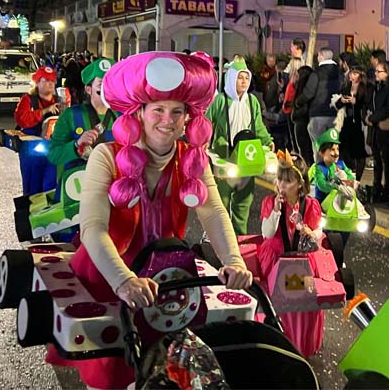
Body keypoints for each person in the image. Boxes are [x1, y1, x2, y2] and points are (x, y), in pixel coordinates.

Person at [46, 51, 252, 389]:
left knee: (178, 370)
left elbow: (213, 211)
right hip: (109, 272)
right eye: (158, 109)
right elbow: (92, 228)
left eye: (177, 111)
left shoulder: (193, 159)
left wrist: (233, 260)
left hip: (165, 277)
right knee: (112, 374)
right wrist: (123, 280)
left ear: (188, 117)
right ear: (139, 113)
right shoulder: (106, 156)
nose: (167, 120)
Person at [258, 151, 325, 358]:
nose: (281, 185)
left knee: (302, 297)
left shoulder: (310, 205)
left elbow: (319, 232)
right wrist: (276, 211)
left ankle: (300, 342)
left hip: (301, 258)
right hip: (276, 256)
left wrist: (309, 231)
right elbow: (267, 233)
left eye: (288, 181)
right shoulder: (270, 202)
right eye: (279, 179)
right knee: (278, 296)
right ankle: (277, 339)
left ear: (300, 184)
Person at [206, 60, 273, 235]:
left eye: (246, 78)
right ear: (231, 79)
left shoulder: (252, 101)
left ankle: (239, 237)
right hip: (225, 156)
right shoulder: (220, 101)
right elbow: (207, 123)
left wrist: (267, 141)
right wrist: (202, 142)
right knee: (222, 200)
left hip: (246, 155)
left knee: (244, 200)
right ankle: (220, 236)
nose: (243, 81)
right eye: (239, 77)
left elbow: (258, 125)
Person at [47, 57, 118, 192]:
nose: (107, 91)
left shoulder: (122, 117)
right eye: (101, 85)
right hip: (77, 189)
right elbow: (53, 155)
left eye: (111, 84)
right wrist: (76, 145)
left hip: (113, 189)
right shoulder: (70, 115)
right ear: (88, 89)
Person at [14, 66, 61, 195]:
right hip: (31, 148)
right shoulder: (28, 100)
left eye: (52, 81)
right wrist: (45, 111)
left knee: (52, 183)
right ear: (37, 83)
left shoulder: (60, 101)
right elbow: (22, 119)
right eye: (45, 80)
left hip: (53, 148)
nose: (50, 83)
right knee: (32, 185)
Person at [297, 48, 342, 157]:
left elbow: (308, 93)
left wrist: (298, 102)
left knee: (319, 148)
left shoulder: (316, 74)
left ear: (321, 56)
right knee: (333, 147)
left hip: (318, 114)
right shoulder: (340, 74)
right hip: (336, 115)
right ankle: (332, 166)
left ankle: (320, 167)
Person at [366, 61, 389, 203]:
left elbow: (388, 108)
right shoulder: (376, 87)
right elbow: (369, 103)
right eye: (376, 71)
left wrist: (373, 118)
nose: (376, 74)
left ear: (387, 72)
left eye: (379, 71)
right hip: (374, 127)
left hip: (384, 128)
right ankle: (377, 185)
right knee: (377, 158)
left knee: (386, 159)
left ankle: (387, 187)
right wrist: (368, 117)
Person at [336, 63, 370, 181]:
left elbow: (367, 104)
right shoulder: (346, 86)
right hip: (346, 122)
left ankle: (357, 179)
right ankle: (348, 175)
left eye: (355, 73)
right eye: (351, 73)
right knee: (343, 150)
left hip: (359, 123)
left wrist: (356, 101)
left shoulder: (365, 88)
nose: (352, 76)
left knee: (359, 152)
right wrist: (342, 101)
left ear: (361, 75)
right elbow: (337, 104)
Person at [308, 128, 356, 204]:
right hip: (324, 202)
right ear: (322, 153)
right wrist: (335, 185)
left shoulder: (341, 164)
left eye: (337, 149)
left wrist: (345, 180)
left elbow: (350, 176)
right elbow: (322, 185)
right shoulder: (319, 168)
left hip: (339, 199)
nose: (336, 153)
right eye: (332, 150)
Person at [285, 60, 315, 166]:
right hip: (304, 123)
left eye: (297, 75)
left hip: (301, 123)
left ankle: (306, 170)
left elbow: (302, 109)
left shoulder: (302, 94)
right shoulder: (308, 91)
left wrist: (295, 112)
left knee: (304, 151)